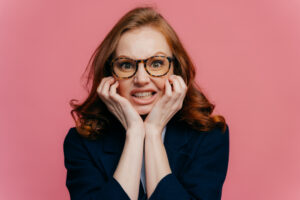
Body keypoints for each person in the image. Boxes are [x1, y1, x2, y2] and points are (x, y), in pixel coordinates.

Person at [63, 6, 229, 200]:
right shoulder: (81, 143)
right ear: (110, 74)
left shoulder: (209, 137)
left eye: (156, 63)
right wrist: (134, 133)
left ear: (176, 69)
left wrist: (152, 132)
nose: (141, 79)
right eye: (126, 65)